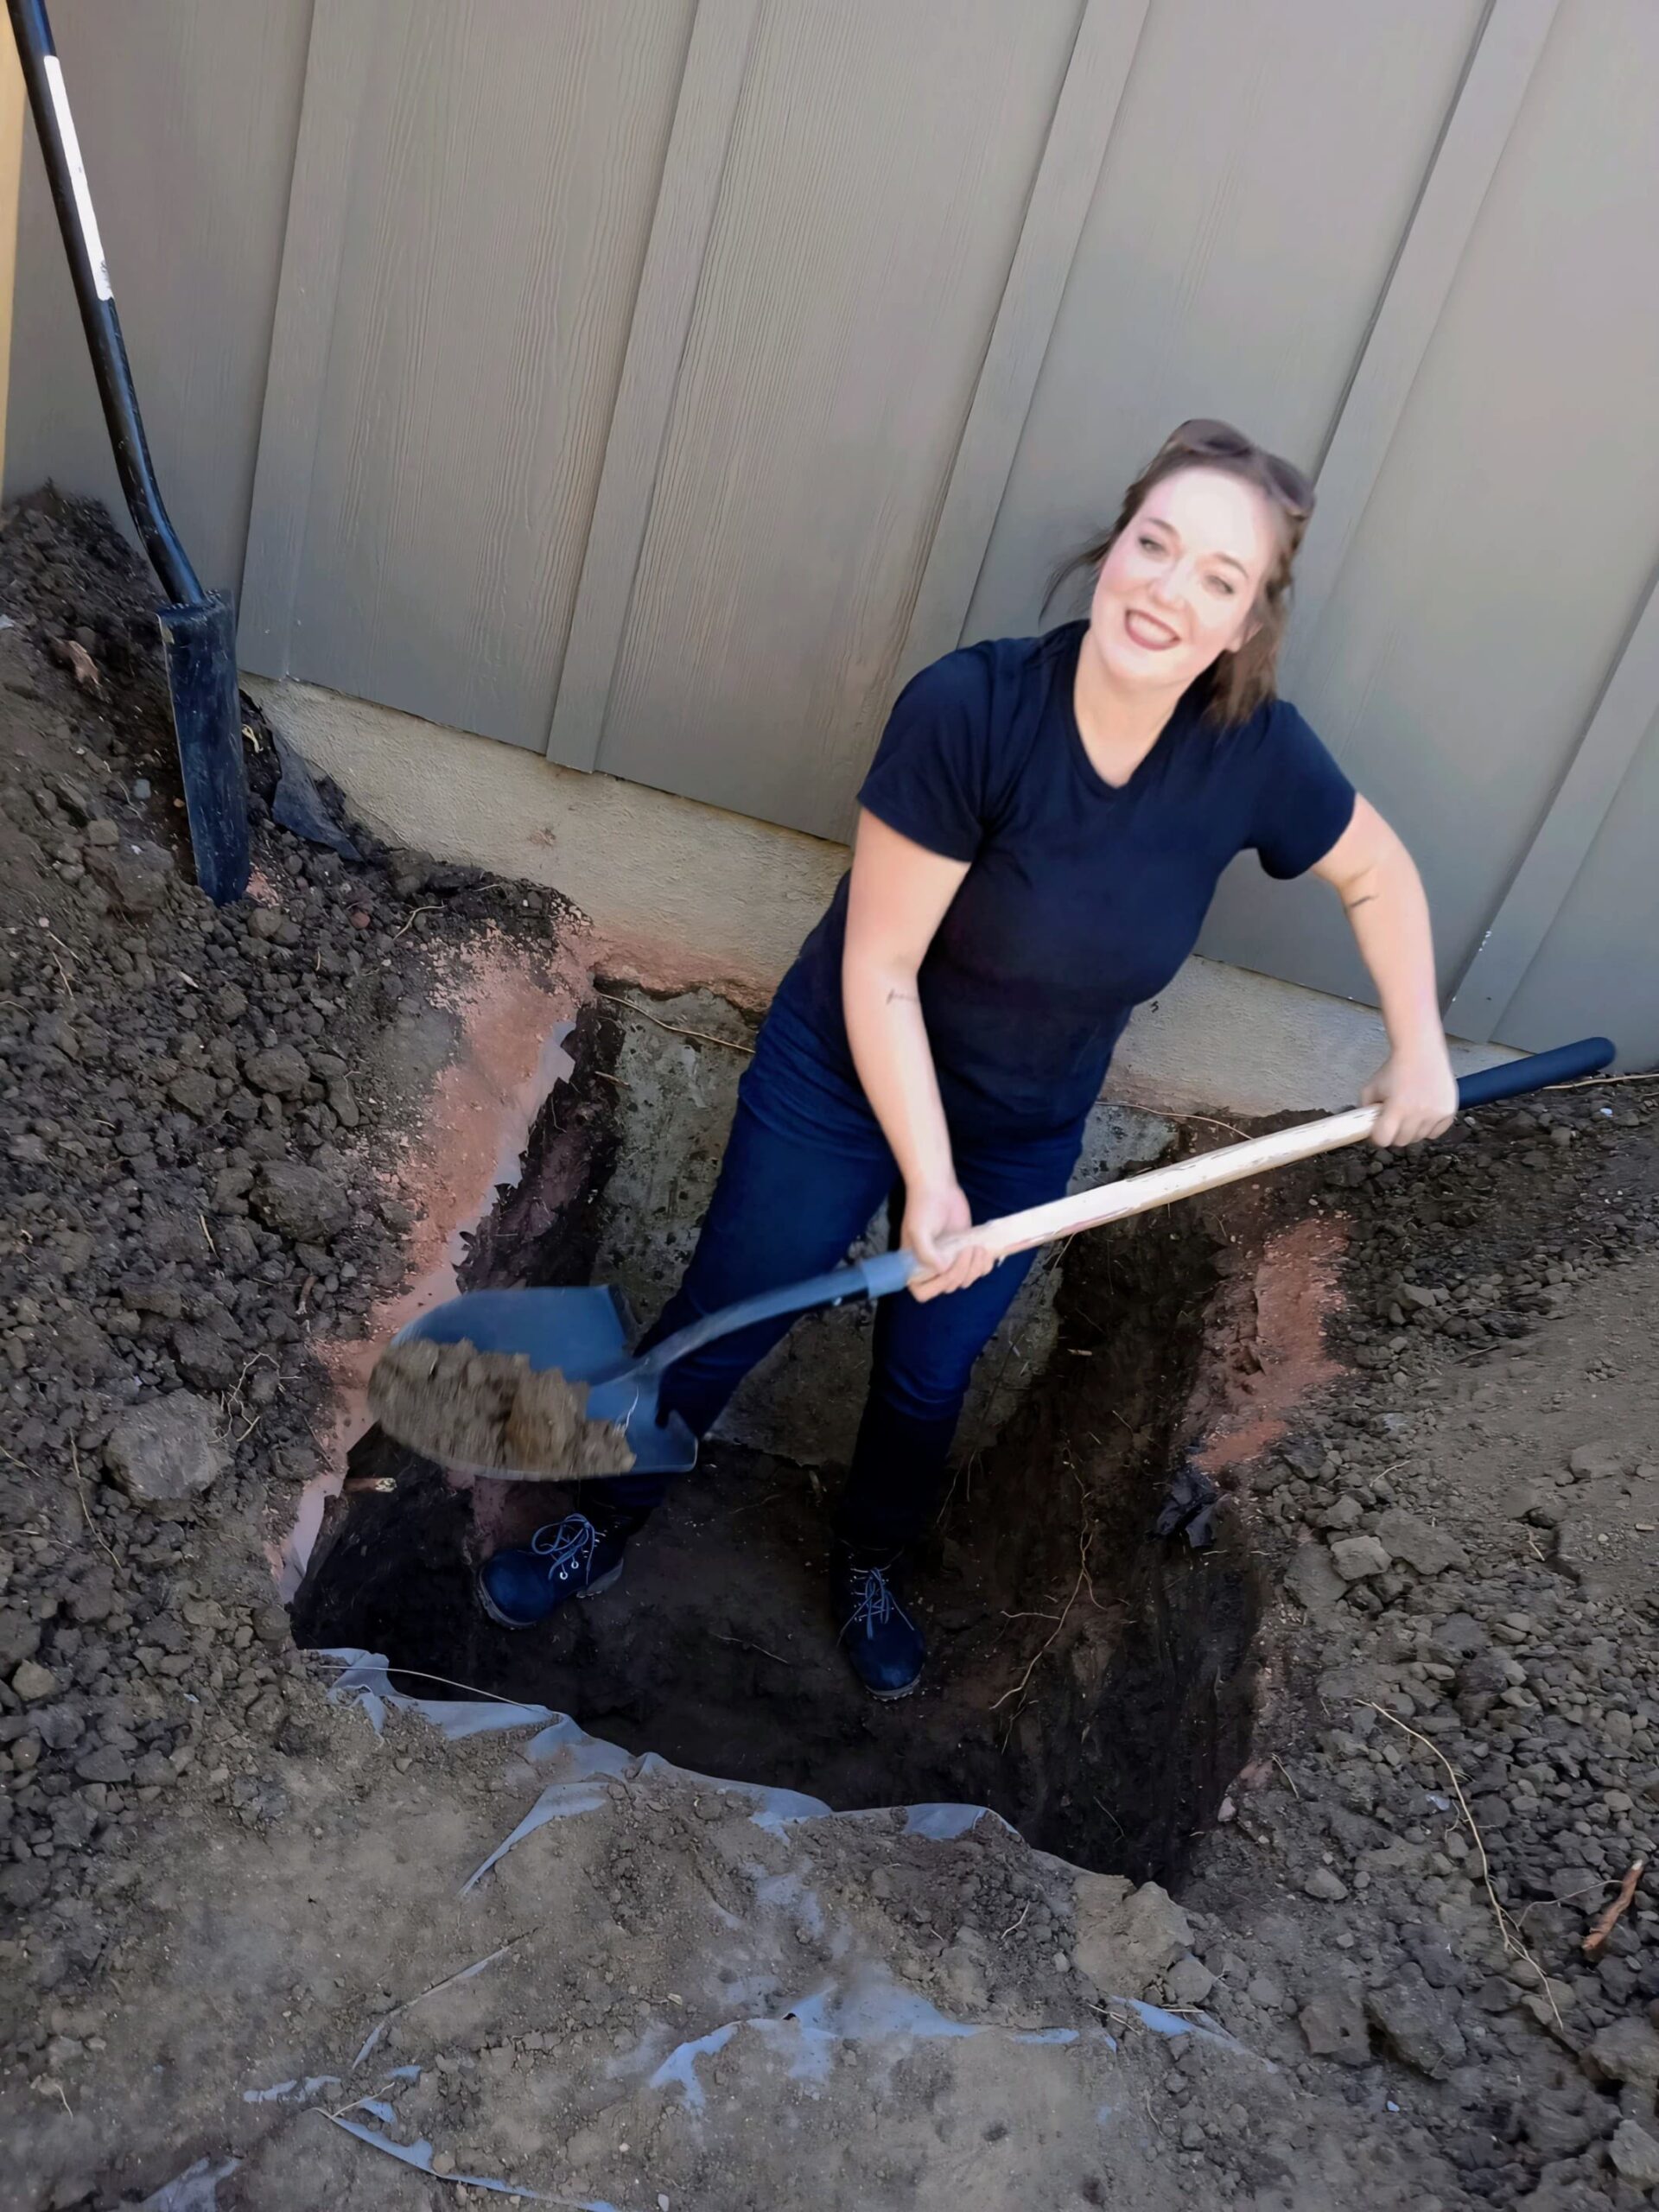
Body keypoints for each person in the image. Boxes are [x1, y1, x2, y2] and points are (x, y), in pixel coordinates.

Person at [476, 418, 1459, 1696]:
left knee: (932, 1368)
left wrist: (1419, 1047)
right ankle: (602, 1520)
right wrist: (926, 1187)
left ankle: (870, 1559)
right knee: (732, 1304)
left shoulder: (1253, 755)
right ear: (1114, 548)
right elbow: (879, 972)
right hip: (843, 1073)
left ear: (1246, 622)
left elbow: (1376, 872)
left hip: (1020, 1122)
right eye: (1154, 546)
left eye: (1216, 577)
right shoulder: (974, 712)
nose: (1168, 589)